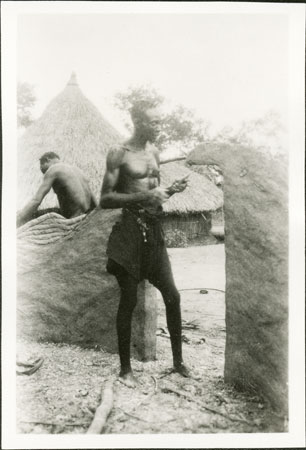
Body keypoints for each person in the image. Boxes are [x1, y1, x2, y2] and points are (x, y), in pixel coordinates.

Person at [100, 103, 191, 387]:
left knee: (173, 296)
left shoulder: (154, 152)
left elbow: (155, 196)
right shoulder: (119, 153)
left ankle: (178, 363)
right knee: (129, 300)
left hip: (154, 232)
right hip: (130, 230)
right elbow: (105, 199)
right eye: (154, 121)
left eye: (161, 121)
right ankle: (125, 369)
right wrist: (145, 197)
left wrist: (170, 192)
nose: (159, 126)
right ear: (137, 120)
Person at [17, 152, 97, 227]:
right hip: (88, 215)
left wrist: (19, 218)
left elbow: (36, 200)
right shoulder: (78, 170)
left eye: (42, 168)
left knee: (31, 216)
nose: (44, 173)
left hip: (74, 218)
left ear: (47, 160)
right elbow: (94, 200)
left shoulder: (53, 169)